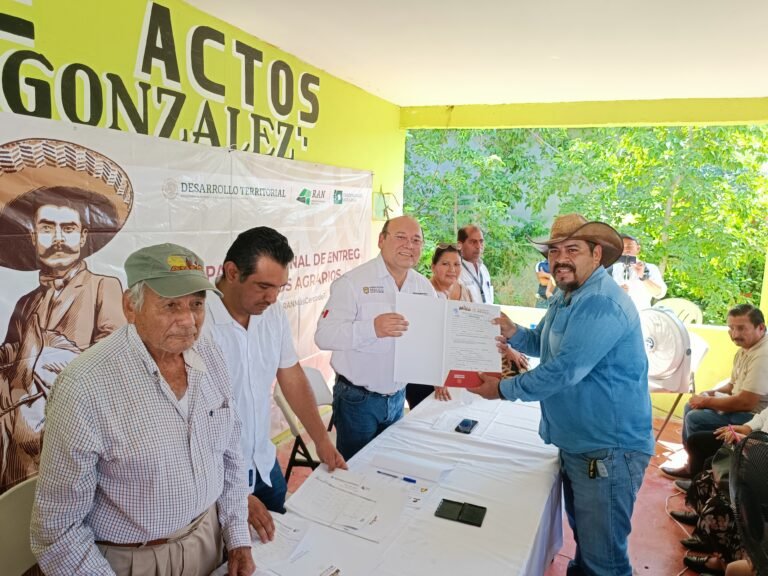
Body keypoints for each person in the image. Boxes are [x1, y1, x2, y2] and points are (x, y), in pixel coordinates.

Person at [30, 243, 254, 576]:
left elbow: (230, 449)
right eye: (170, 305)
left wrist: (237, 536)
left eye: (197, 304)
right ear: (130, 307)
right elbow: (57, 530)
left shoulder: (207, 349)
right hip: (132, 561)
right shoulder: (85, 387)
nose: (188, 321)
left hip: (209, 538)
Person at [470, 213, 654, 576]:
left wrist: (503, 390)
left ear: (597, 254)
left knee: (606, 561)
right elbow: (544, 343)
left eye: (572, 249)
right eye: (554, 251)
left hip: (608, 450)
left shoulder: (602, 302)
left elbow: (565, 370)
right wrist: (514, 332)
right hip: (581, 444)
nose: (560, 259)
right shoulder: (569, 293)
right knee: (589, 544)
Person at [0, 139, 131, 493]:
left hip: (74, 438)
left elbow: (115, 357)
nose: (58, 239)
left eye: (68, 229)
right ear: (32, 235)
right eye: (47, 228)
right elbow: (10, 354)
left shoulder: (105, 287)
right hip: (20, 446)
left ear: (84, 235)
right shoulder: (26, 302)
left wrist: (51, 357)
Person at [203, 227, 346, 542]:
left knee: (281, 551)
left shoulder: (273, 314)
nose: (272, 297)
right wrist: (232, 492)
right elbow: (191, 422)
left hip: (265, 467)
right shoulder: (199, 324)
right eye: (263, 286)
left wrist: (321, 440)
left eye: (279, 288)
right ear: (231, 272)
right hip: (217, 483)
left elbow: (291, 377)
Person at [315, 216, 435, 459]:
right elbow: (324, 336)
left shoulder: (424, 287)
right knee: (356, 474)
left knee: (388, 469)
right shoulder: (353, 283)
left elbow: (430, 339)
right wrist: (372, 329)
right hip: (358, 400)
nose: (409, 245)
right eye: (400, 237)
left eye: (416, 240)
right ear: (381, 240)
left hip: (398, 398)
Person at [662, 304, 768, 479]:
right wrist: (709, 394)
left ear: (761, 327)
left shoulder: (763, 355)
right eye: (731, 328)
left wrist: (705, 402)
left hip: (752, 416)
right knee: (691, 407)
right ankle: (696, 466)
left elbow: (746, 402)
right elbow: (733, 386)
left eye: (741, 328)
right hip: (743, 408)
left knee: (696, 418)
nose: (734, 334)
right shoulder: (747, 349)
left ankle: (700, 472)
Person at [608, 234, 667, 310]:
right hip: (617, 316)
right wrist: (616, 292)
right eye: (622, 247)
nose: (626, 249)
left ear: (638, 248)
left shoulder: (650, 268)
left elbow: (659, 293)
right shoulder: (610, 269)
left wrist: (643, 277)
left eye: (629, 246)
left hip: (642, 316)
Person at [458, 224, 493, 304]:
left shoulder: (483, 269)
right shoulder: (456, 272)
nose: (478, 246)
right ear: (460, 245)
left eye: (481, 241)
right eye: (473, 242)